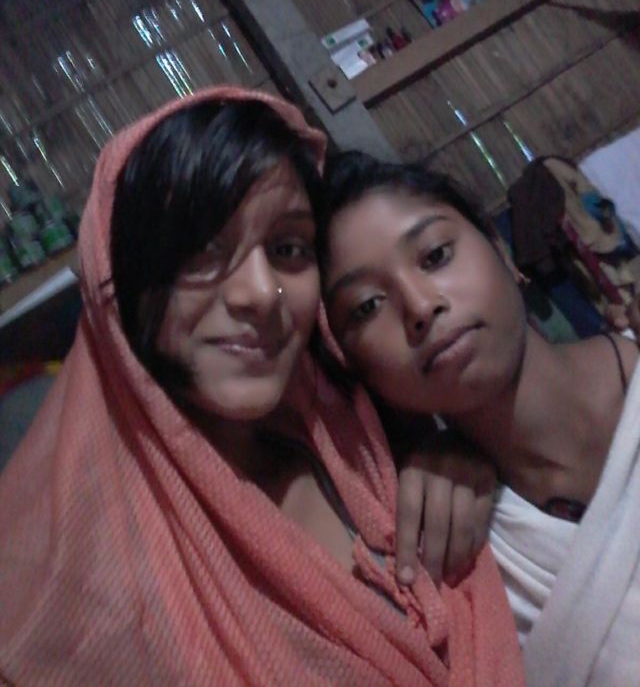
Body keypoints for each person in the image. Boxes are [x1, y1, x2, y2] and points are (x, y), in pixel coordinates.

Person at [0, 88, 522, 686]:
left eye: (287, 249)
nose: (260, 293)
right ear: (123, 282)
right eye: (202, 251)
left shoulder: (355, 432)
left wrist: (457, 455)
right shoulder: (76, 595)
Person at [319, 151, 640, 687]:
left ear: (501, 250)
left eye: (435, 255)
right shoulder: (465, 570)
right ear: (362, 373)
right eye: (367, 306)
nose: (420, 306)